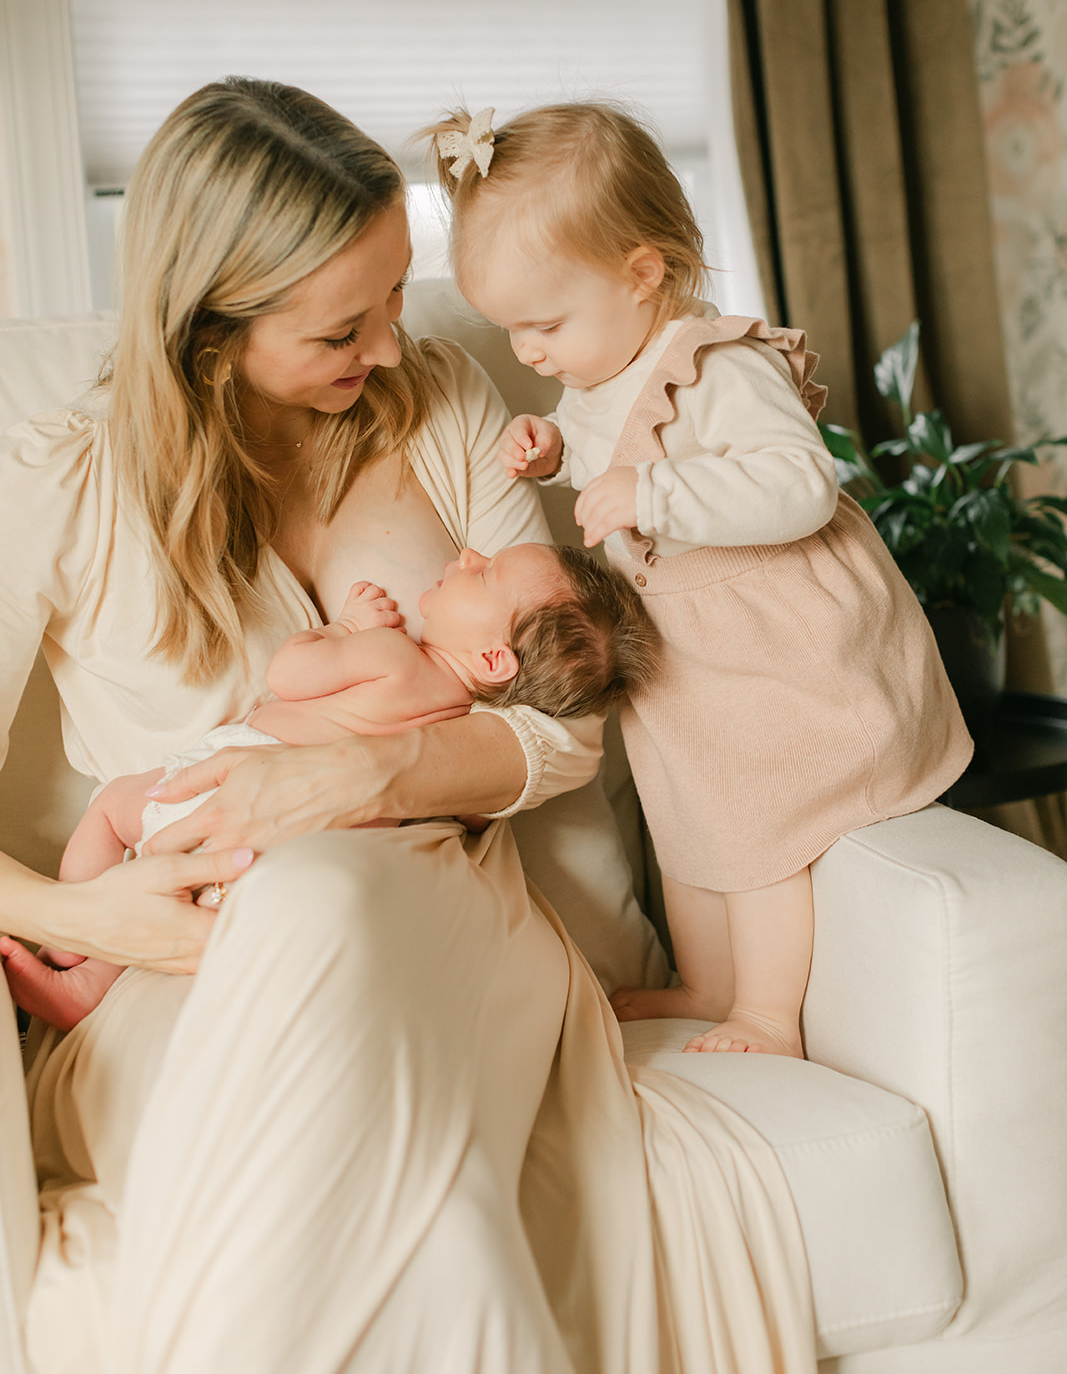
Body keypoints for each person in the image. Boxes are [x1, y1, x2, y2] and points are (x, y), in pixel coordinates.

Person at [0, 79, 817, 1373]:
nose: (391, 344)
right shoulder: (59, 477)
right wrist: (87, 919)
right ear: (211, 323)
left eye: (395, 293)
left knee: (330, 900)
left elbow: (564, 726)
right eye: (343, 326)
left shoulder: (443, 408)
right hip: (180, 961)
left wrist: (367, 771)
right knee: (428, 1212)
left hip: (453, 918)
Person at [428, 99, 974, 1060]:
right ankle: (705, 980)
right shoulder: (597, 371)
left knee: (762, 819)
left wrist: (656, 492)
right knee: (689, 823)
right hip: (686, 656)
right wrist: (558, 450)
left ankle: (768, 1011)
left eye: (544, 323)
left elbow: (799, 486)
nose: (526, 353)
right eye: (510, 329)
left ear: (643, 274)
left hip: (776, 644)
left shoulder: (718, 364)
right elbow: (610, 447)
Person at [5, 543, 656, 1032]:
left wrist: (344, 629)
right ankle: (88, 983)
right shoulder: (462, 728)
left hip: (246, 778)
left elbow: (290, 675)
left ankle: (75, 942)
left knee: (116, 808)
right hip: (302, 854)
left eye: (483, 573)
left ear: (494, 658)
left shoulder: (395, 656)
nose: (466, 553)